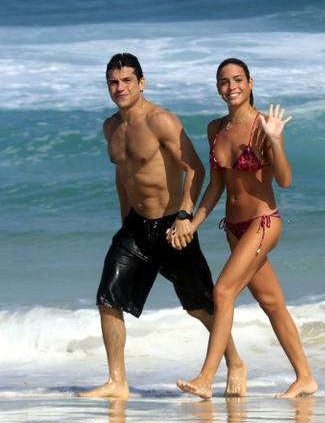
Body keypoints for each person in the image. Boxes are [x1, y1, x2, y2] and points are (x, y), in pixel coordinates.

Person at [79, 53, 247, 399]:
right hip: (135, 228)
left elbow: (195, 169)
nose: (120, 87)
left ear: (142, 83)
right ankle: (117, 381)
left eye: (127, 80)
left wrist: (186, 216)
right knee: (108, 297)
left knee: (200, 306)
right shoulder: (110, 127)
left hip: (173, 226)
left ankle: (235, 362)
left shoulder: (162, 122)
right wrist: (124, 221)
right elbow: (123, 175)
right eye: (113, 82)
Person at [175, 58, 317, 399]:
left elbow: (285, 180)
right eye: (224, 81)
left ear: (251, 83)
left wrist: (276, 141)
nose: (231, 86)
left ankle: (206, 378)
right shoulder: (215, 129)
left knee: (222, 292)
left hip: (263, 222)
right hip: (234, 228)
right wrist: (192, 222)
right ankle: (305, 378)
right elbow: (216, 186)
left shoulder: (264, 125)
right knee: (271, 303)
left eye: (238, 79)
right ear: (217, 87)